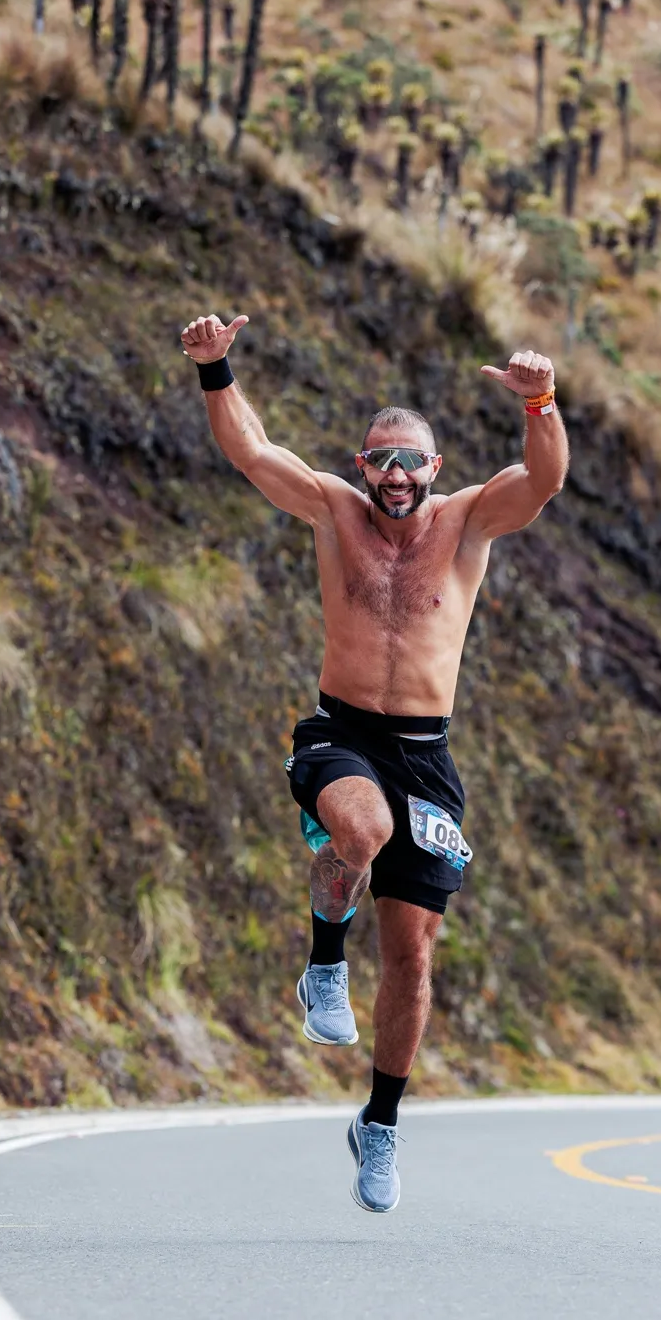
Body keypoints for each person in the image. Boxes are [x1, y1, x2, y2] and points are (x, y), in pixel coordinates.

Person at [180, 310, 569, 1212]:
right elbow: (253, 452)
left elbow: (544, 480)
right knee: (360, 830)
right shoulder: (333, 510)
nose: (395, 475)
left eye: (411, 462)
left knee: (413, 956)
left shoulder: (467, 523)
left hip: (427, 755)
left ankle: (381, 1123)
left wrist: (541, 401)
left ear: (435, 467)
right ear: (362, 466)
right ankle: (324, 962)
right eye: (381, 460)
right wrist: (215, 368)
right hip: (343, 733)